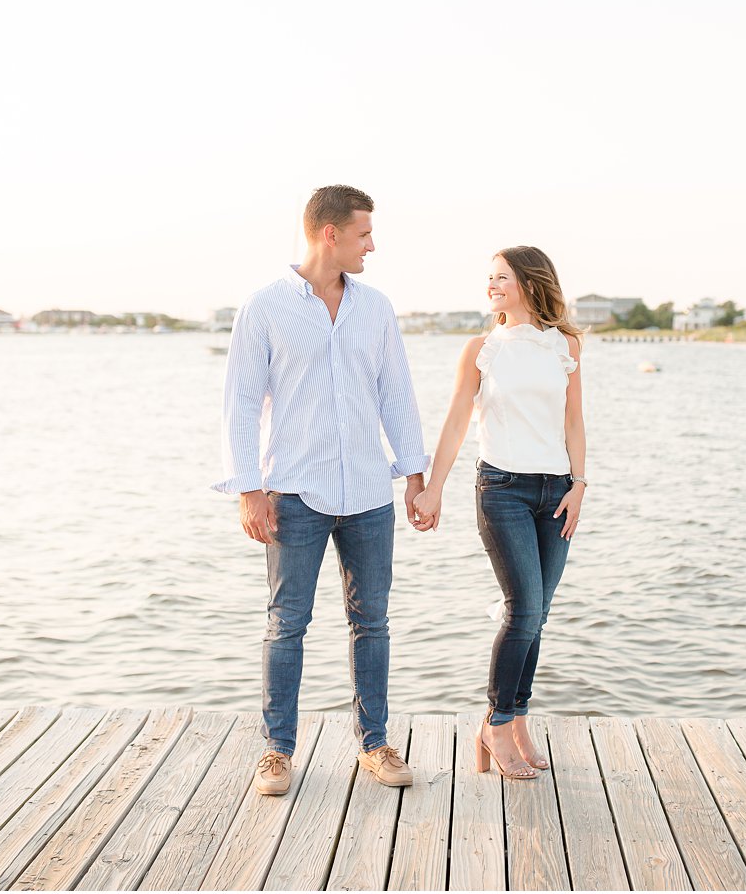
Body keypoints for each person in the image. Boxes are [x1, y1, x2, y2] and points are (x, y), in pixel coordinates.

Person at [215, 185, 429, 796]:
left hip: (367, 490)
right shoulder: (264, 308)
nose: (372, 244)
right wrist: (248, 489)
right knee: (287, 622)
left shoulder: (376, 308)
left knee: (373, 621)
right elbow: (240, 402)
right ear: (329, 234)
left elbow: (396, 392)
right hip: (294, 490)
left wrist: (414, 474)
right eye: (364, 233)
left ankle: (375, 743)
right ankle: (277, 751)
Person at [410, 246, 586, 780]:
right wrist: (432, 488)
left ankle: (518, 722)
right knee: (524, 610)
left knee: (539, 615)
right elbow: (457, 421)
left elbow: (574, 421)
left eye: (501, 277)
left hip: (556, 491)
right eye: (489, 277)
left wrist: (580, 484)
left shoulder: (566, 346)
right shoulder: (483, 349)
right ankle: (496, 722)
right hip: (502, 489)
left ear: (530, 283)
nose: (491, 285)